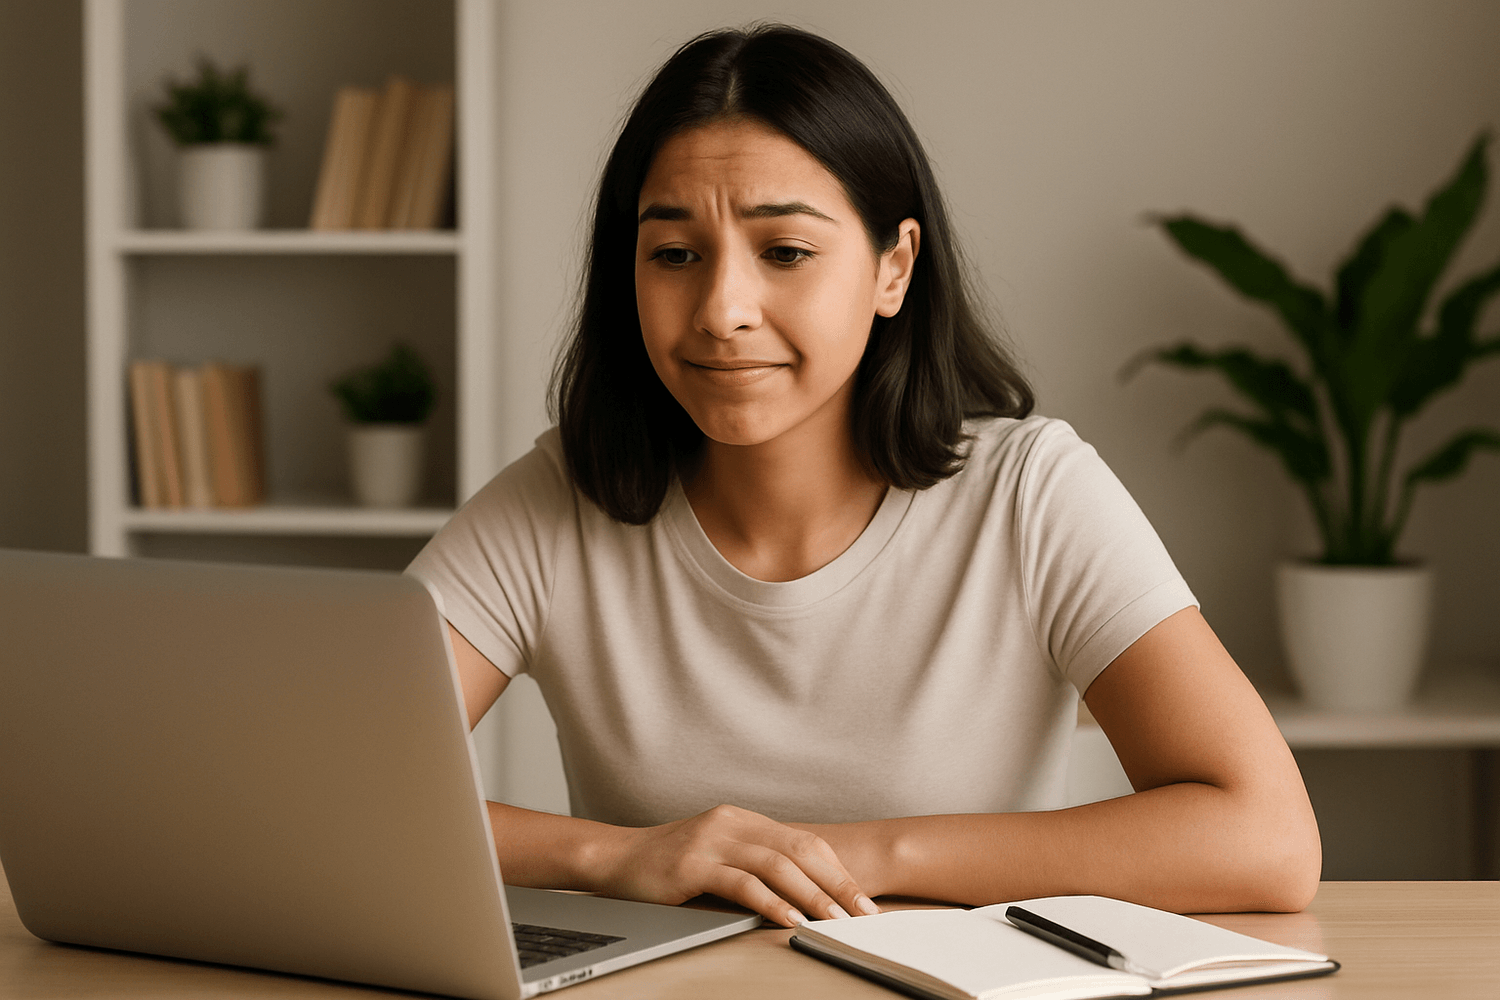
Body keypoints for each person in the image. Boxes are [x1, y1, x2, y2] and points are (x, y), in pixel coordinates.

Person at [406, 24, 1320, 928]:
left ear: (894, 267)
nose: (723, 311)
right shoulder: (558, 499)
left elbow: (1267, 837)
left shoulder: (1032, 494)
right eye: (675, 254)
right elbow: (313, 796)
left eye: (786, 253)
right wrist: (616, 855)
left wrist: (864, 853)